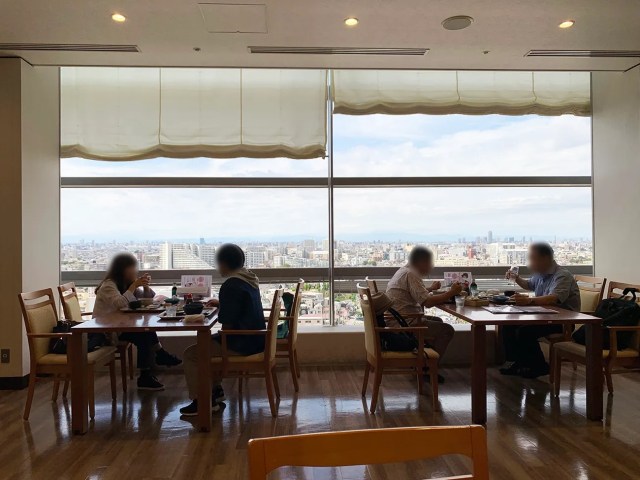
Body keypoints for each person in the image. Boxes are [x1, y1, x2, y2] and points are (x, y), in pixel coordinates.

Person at [179, 244, 265, 416]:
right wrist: (223, 304)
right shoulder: (249, 279)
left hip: (241, 344)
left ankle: (202, 401)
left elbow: (227, 324)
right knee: (208, 344)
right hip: (257, 340)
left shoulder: (231, 285)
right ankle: (215, 392)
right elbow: (241, 306)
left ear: (224, 264)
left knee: (193, 354)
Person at [93, 253, 182, 391]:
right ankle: (152, 366)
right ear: (123, 269)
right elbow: (119, 303)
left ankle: (153, 365)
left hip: (120, 326)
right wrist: (133, 286)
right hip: (106, 332)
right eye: (133, 268)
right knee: (143, 334)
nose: (136, 271)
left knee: (145, 330)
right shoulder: (108, 286)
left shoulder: (125, 284)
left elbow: (147, 299)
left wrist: (145, 286)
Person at [500, 242, 581, 379]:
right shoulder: (540, 273)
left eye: (532, 258)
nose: (530, 262)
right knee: (508, 325)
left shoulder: (562, 275)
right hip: (543, 316)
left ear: (544, 259)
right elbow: (529, 284)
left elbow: (554, 298)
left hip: (561, 321)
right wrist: (516, 278)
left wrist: (530, 301)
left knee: (525, 331)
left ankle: (539, 366)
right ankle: (516, 363)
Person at [385, 246, 461, 382]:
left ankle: (422, 364)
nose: (431, 267)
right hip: (405, 324)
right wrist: (452, 292)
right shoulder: (411, 274)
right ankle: (428, 369)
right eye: (429, 263)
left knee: (438, 321)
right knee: (447, 330)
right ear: (421, 262)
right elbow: (428, 302)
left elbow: (414, 293)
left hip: (399, 319)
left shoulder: (404, 271)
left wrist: (430, 288)